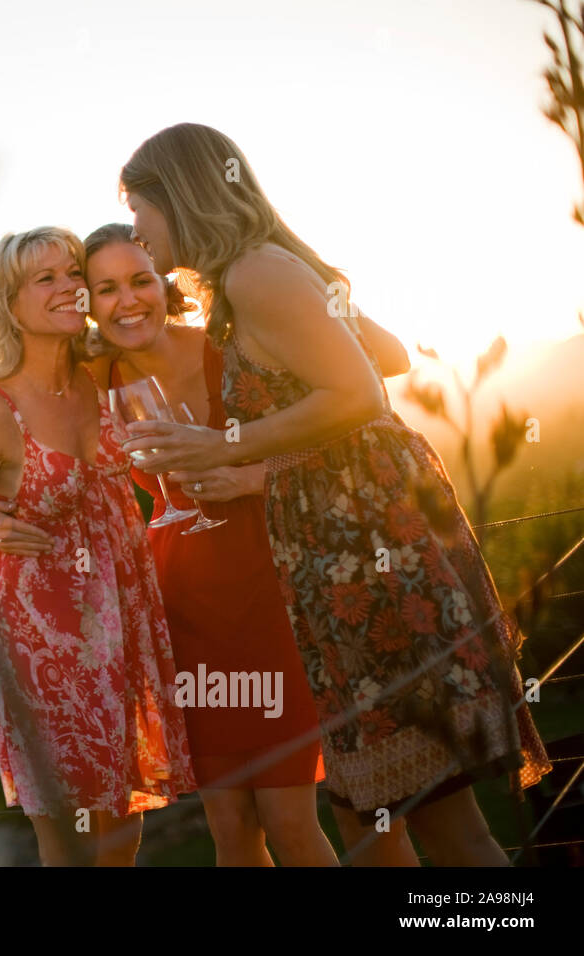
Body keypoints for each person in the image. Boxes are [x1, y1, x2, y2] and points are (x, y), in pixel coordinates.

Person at [119, 123, 552, 866]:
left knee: (439, 820)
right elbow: (381, 354)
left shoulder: (257, 272)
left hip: (367, 558)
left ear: (178, 196)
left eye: (137, 208)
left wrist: (227, 444)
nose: (134, 229)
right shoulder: (260, 272)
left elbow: (357, 392)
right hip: (344, 550)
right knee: (402, 810)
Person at [0, 226, 194, 866]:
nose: (71, 286)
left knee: (122, 824)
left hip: (120, 614)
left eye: (73, 272)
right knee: (69, 838)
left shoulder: (104, 375)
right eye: (47, 278)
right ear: (9, 305)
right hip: (41, 630)